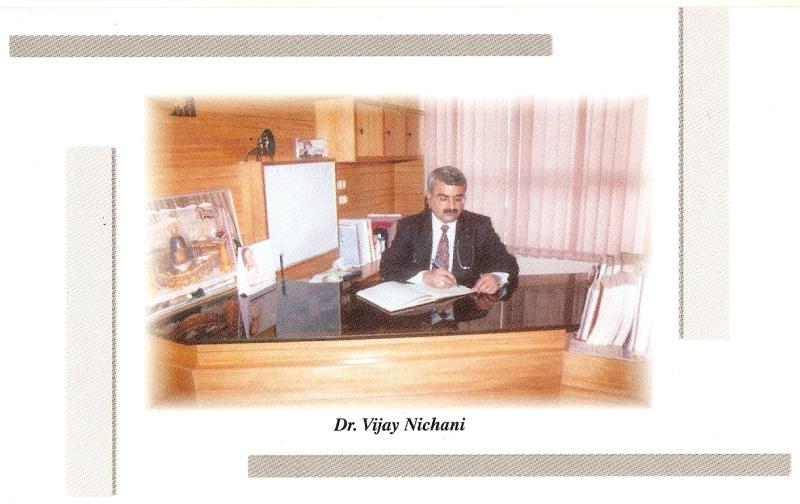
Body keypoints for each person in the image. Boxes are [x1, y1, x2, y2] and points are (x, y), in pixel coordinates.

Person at [379, 166, 518, 295]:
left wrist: (496, 277)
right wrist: (425, 277)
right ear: (429, 197)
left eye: (457, 198)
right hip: (421, 301)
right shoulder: (411, 226)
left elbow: (508, 262)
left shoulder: (479, 225)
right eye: (443, 198)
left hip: (465, 303)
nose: (451, 206)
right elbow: (388, 265)